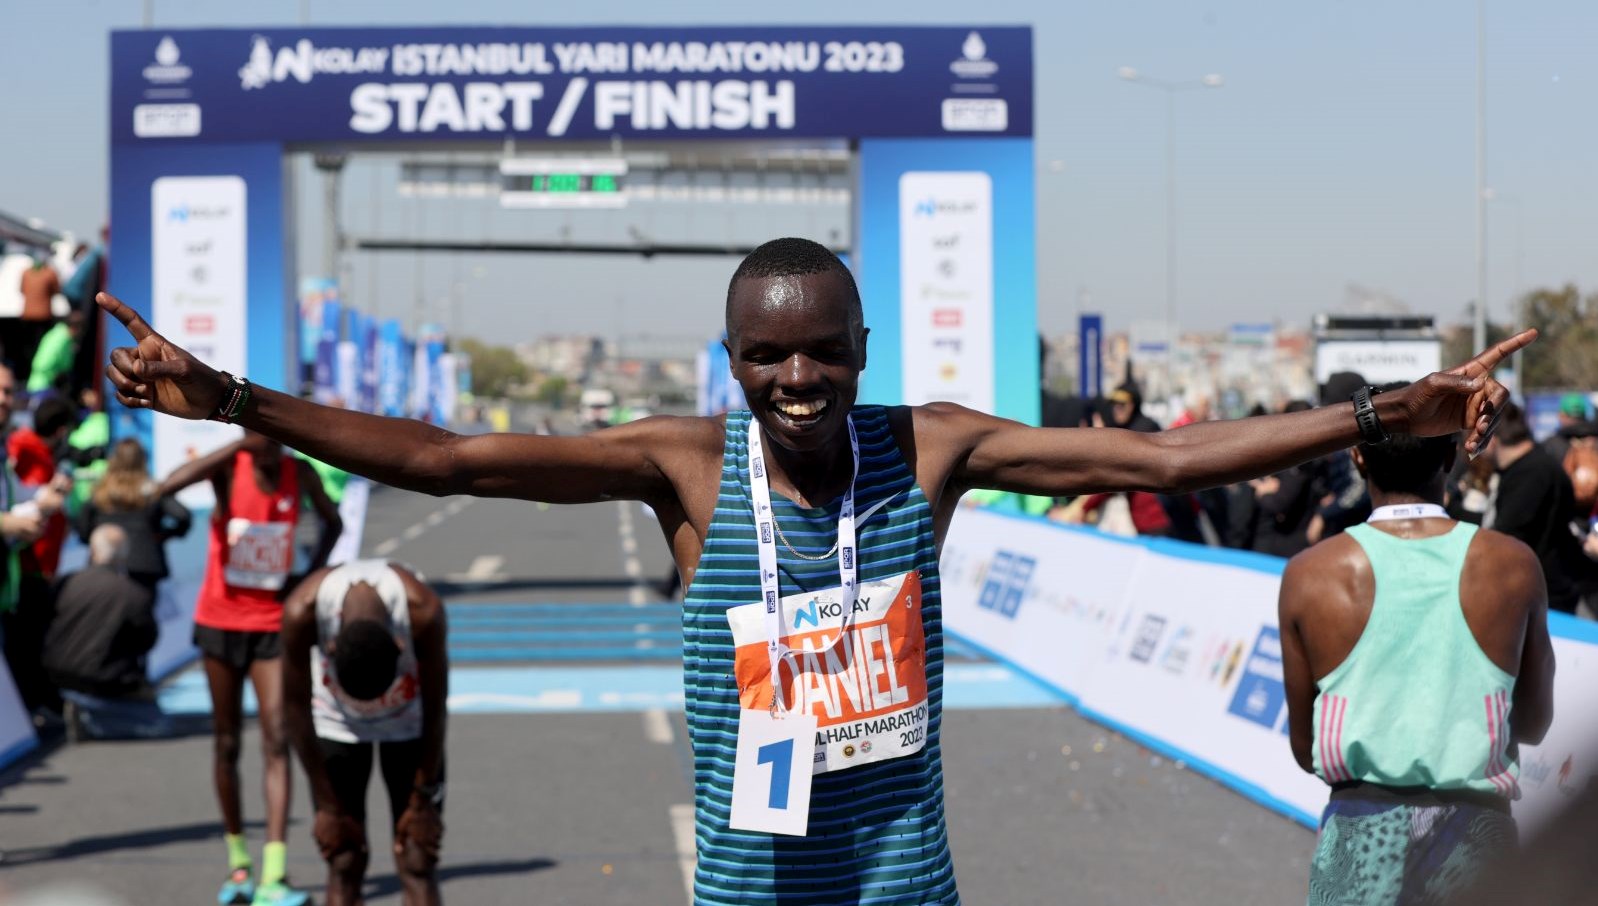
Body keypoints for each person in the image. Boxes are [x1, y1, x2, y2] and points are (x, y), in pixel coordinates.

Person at [99, 238, 1529, 904]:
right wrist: (234, 397)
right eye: (768, 353)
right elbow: (457, 458)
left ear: (862, 347)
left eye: (823, 349)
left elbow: (1161, 466)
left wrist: (1367, 414)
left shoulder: (934, 448)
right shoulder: (679, 464)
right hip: (748, 880)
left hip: (906, 880)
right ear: (733, 361)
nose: (799, 376)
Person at [1278, 417, 1555, 905]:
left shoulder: (1309, 573)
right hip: (1478, 836)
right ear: (1449, 459)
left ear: (1357, 456)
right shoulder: (1511, 565)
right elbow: (1533, 723)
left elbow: (1306, 749)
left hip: (1357, 828)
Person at [161, 433, 342, 906]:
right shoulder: (228, 470)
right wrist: (235, 449)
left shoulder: (297, 474)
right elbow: (167, 487)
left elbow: (333, 522)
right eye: (258, 440)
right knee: (226, 742)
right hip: (219, 622)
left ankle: (274, 875)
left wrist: (308, 576)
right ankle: (238, 865)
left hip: (271, 625)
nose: (268, 451)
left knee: (276, 737)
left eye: (274, 442)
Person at [281, 561, 446, 906]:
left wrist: (422, 800)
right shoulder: (302, 611)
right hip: (336, 725)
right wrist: (327, 807)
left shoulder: (423, 613)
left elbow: (435, 710)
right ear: (330, 648)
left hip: (410, 724)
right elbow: (294, 710)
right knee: (343, 858)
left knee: (418, 858)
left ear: (402, 646)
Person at [41, 524, 169, 740]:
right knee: (157, 724)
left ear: (92, 550)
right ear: (124, 554)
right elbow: (147, 639)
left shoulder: (67, 582)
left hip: (55, 670)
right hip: (102, 676)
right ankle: (92, 719)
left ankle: (81, 711)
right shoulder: (133, 593)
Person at [1483, 402, 1590, 614]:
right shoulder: (1527, 468)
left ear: (1492, 439)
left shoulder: (1532, 474)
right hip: (1538, 592)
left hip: (1544, 597)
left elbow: (1505, 538)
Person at [73, 438, 192, 593]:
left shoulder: (100, 492)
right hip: (144, 563)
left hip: (105, 561)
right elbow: (183, 516)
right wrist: (163, 535)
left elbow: (83, 528)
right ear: (143, 460)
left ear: (114, 459)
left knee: (107, 614)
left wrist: (96, 539)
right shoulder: (153, 490)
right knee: (139, 613)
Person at [27, 310, 84, 397]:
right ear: (77, 328)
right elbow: (41, 364)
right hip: (41, 389)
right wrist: (56, 375)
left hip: (46, 388)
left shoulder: (63, 338)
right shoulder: (60, 339)